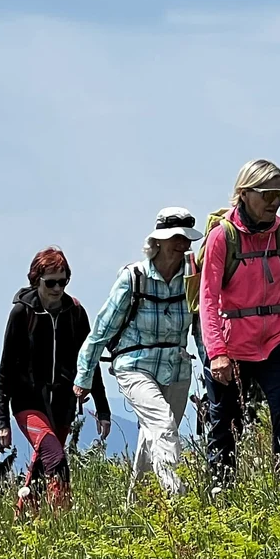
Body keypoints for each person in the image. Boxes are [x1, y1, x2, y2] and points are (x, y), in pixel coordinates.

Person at [199, 160, 280, 478]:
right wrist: (217, 353)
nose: (275, 201)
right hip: (232, 345)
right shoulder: (222, 237)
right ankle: (221, 491)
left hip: (277, 341)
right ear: (245, 193)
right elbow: (208, 299)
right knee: (226, 424)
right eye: (268, 194)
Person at [79, 208, 199, 500]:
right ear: (157, 241)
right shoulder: (134, 278)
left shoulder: (193, 277)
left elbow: (201, 325)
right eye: (176, 237)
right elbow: (102, 329)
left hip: (177, 369)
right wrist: (83, 376)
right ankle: (177, 499)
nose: (182, 244)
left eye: (186, 238)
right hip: (134, 367)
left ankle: (136, 507)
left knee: (152, 434)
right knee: (164, 425)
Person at [0, 248, 111, 514]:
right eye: (51, 282)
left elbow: (89, 363)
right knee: (55, 457)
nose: (58, 288)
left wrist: (103, 409)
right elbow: (6, 368)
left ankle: (25, 518)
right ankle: (62, 518)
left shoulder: (76, 312)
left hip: (63, 403)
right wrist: (2, 420)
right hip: (28, 402)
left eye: (63, 281)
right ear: (36, 280)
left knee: (42, 462)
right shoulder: (22, 313)